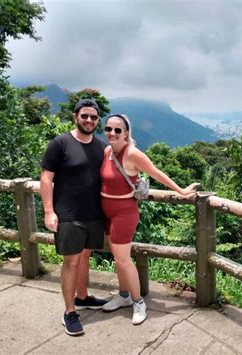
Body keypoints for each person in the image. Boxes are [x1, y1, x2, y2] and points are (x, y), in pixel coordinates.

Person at [100, 114, 199, 325]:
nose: (112, 133)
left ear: (126, 133)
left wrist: (181, 190)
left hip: (124, 212)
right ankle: (124, 295)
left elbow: (156, 173)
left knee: (123, 260)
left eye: (118, 130)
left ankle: (138, 302)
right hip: (106, 212)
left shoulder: (133, 154)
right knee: (118, 258)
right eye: (108, 129)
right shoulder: (107, 151)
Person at [40, 98, 108, 336]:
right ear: (75, 116)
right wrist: (49, 211)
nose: (89, 120)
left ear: (97, 120)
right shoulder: (61, 143)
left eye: (93, 117)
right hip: (67, 214)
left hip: (93, 213)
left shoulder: (100, 146)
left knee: (85, 257)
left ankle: (82, 297)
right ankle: (69, 312)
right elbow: (46, 177)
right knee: (71, 262)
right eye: (85, 116)